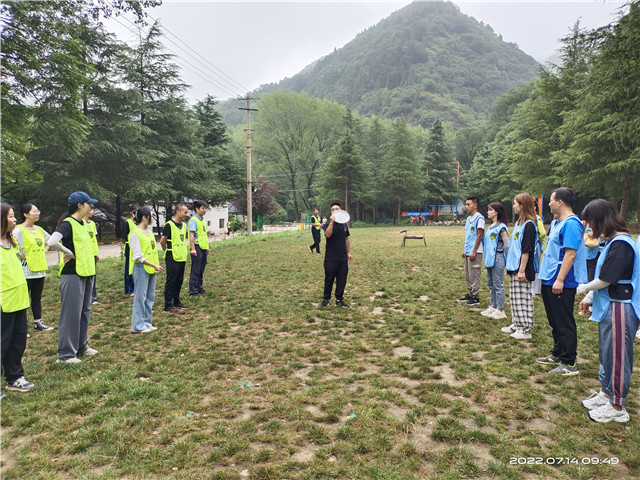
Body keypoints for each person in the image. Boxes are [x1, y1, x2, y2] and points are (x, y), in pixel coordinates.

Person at [577, 199, 639, 423]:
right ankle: (606, 393)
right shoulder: (612, 242)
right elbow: (604, 278)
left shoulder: (621, 243)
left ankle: (617, 406)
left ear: (602, 220)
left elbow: (608, 278)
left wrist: (585, 288)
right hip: (609, 306)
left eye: (591, 222)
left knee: (618, 356)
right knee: (607, 353)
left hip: (621, 308)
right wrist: (590, 296)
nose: (590, 228)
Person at [536, 187, 587, 375]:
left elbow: (570, 254)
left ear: (560, 202)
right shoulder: (558, 222)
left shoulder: (572, 224)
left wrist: (560, 280)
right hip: (549, 277)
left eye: (551, 200)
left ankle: (569, 362)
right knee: (554, 319)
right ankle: (557, 353)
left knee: (564, 321)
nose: (548, 203)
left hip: (562, 281)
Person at [47, 191, 100, 364]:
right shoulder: (68, 224)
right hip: (72, 274)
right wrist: (67, 252)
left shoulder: (83, 224)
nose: (91, 207)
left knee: (84, 312)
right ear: (80, 206)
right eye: (88, 204)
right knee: (71, 314)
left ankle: (81, 346)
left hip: (86, 273)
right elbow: (53, 241)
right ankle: (65, 354)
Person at [1, 203, 35, 393]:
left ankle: (14, 377)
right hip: (3, 303)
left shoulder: (11, 242)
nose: (15, 220)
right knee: (2, 342)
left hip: (19, 300)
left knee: (18, 340)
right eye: (11, 216)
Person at [502, 193, 538, 339]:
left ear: (523, 205)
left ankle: (525, 328)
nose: (513, 206)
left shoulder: (529, 225)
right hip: (513, 266)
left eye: (515, 203)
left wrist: (522, 270)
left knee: (523, 298)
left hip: (522, 268)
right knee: (514, 298)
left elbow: (526, 250)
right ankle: (516, 323)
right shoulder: (518, 223)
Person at [14, 203, 54, 332]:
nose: (37, 213)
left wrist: (47, 249)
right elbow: (10, 245)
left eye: (38, 211)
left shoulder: (40, 230)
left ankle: (38, 323)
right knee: (22, 299)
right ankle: (20, 328)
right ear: (25, 214)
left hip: (39, 269)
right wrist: (19, 255)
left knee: (36, 298)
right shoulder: (18, 230)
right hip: (24, 270)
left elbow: (52, 241)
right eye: (34, 211)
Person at [129, 207, 163, 333]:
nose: (153, 218)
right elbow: (137, 256)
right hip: (141, 269)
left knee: (150, 297)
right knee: (140, 297)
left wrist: (154, 266)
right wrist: (153, 265)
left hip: (151, 269)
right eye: (151, 216)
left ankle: (147, 322)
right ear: (144, 217)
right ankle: (137, 326)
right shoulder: (134, 234)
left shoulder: (149, 232)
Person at [481, 202, 509, 320]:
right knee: (491, 283)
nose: (488, 212)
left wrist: (508, 262)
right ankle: (493, 305)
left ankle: (500, 309)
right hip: (489, 258)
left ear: (497, 212)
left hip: (498, 257)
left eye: (490, 210)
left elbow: (507, 245)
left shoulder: (501, 227)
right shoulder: (490, 227)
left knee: (498, 284)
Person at [320, 202, 352, 308]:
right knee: (329, 279)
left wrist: (348, 253)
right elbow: (328, 235)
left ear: (340, 210)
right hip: (330, 257)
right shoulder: (327, 224)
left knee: (342, 279)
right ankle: (326, 299)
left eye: (336, 208)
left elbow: (346, 239)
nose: (334, 210)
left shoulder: (344, 224)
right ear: (331, 212)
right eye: (332, 209)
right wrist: (331, 223)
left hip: (342, 257)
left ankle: (339, 299)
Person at [160, 204, 190, 313]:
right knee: (171, 281)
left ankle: (176, 301)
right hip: (172, 256)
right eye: (185, 212)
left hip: (181, 256)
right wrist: (167, 251)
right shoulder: (169, 225)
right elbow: (162, 241)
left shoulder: (183, 225)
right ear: (178, 212)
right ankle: (168, 304)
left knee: (179, 280)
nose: (186, 215)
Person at [457, 196, 485, 306]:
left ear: (475, 205)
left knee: (474, 274)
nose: (466, 206)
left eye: (468, 204)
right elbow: (468, 236)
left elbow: (479, 235)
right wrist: (464, 249)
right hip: (468, 250)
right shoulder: (468, 219)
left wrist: (474, 250)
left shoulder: (480, 218)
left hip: (475, 251)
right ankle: (470, 293)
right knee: (468, 274)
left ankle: (475, 296)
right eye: (466, 204)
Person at [188, 200, 209, 296]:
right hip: (196, 247)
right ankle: (193, 290)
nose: (204, 210)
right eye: (203, 208)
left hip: (203, 247)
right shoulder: (193, 220)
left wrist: (207, 247)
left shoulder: (202, 220)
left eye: (205, 208)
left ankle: (199, 287)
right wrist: (193, 249)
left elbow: (203, 234)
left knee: (201, 269)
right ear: (197, 209)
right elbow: (191, 235)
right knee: (195, 269)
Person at [83, 204, 100, 305]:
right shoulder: (81, 224)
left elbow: (94, 239)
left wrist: (96, 253)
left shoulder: (93, 224)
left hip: (92, 254)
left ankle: (93, 296)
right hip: (84, 254)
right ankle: (86, 297)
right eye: (91, 209)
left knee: (93, 275)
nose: (92, 211)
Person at [122, 205, 137, 296]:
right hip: (129, 249)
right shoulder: (127, 223)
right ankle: (129, 289)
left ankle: (135, 287)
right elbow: (123, 238)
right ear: (131, 212)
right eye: (135, 212)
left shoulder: (139, 223)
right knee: (129, 269)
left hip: (137, 248)